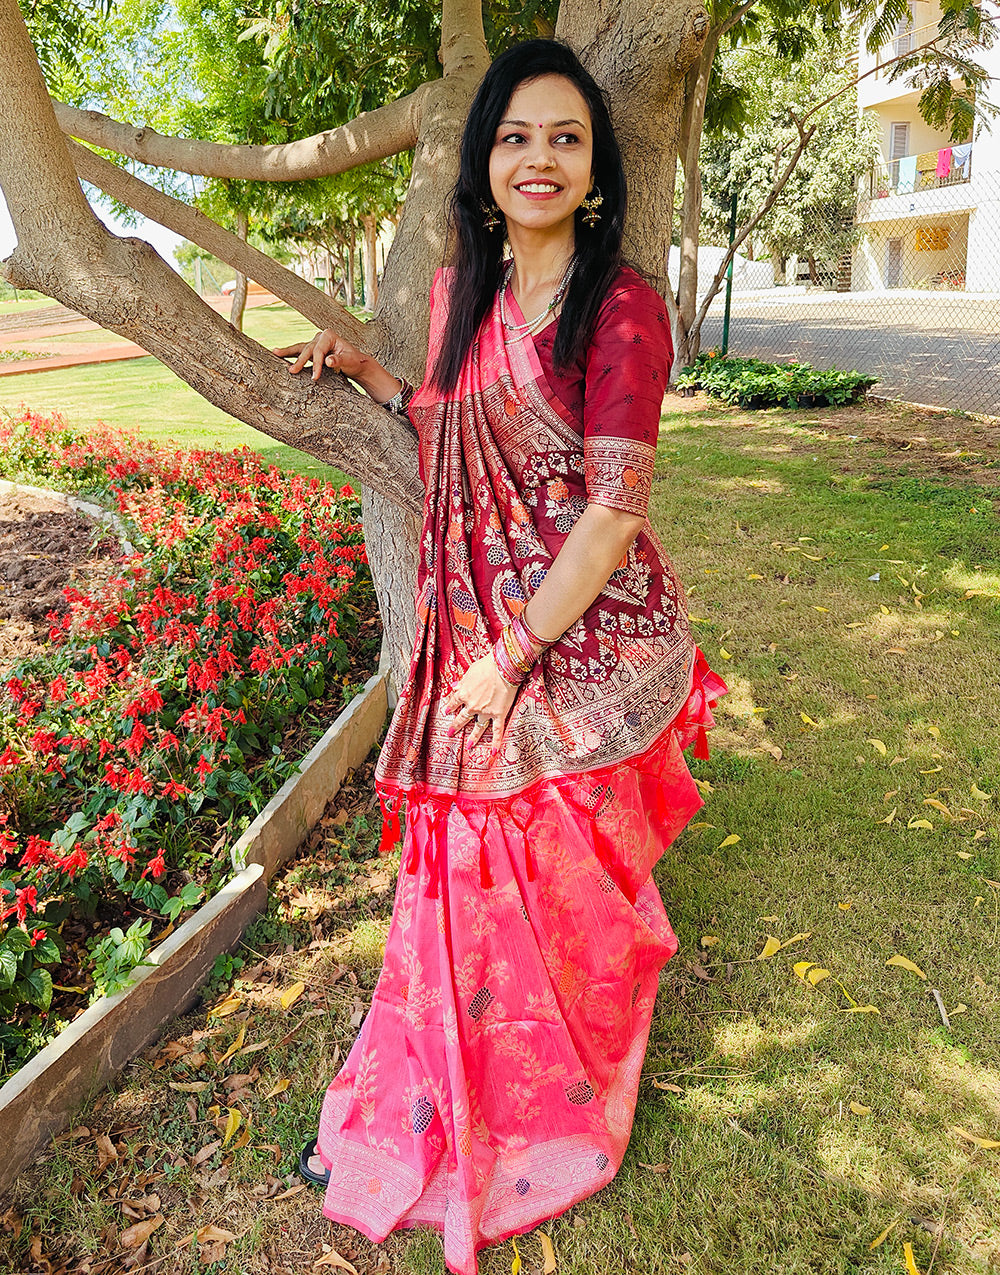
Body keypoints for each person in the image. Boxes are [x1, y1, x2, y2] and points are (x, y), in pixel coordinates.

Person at [285, 38, 726, 1275]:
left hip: (578, 633)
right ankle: (445, 1074)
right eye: (518, 136)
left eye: (566, 138)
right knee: (462, 849)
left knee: (536, 845)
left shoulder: (623, 308)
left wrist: (514, 657)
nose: (541, 158)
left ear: (594, 168)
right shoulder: (460, 297)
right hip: (481, 630)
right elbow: (452, 423)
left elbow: (610, 510)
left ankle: (554, 1079)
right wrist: (374, 374)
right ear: (484, 159)